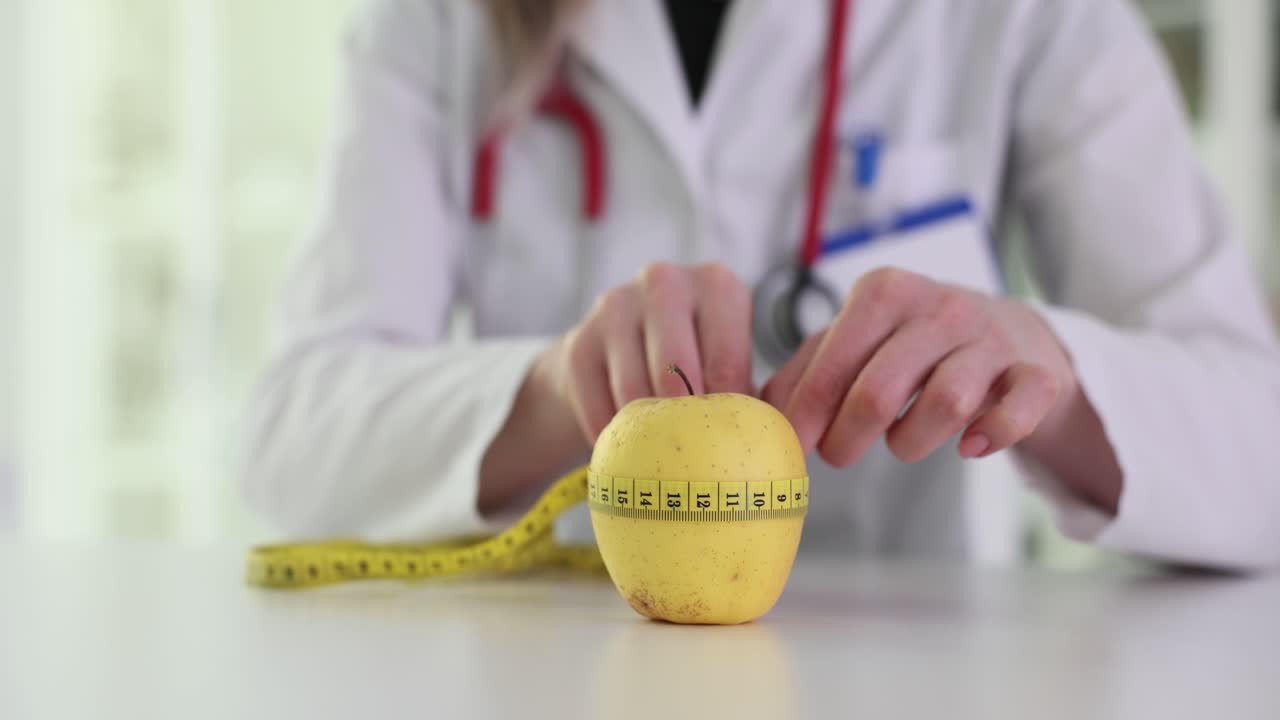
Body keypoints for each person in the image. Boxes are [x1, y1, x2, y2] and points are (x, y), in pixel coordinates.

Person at [243, 0, 1280, 570]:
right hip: (559, 671)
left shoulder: (1026, 17)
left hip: (911, 677)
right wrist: (556, 386)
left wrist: (1045, 372)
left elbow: (1258, 451)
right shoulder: (434, 25)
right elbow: (290, 442)